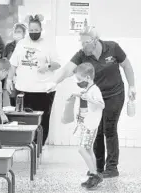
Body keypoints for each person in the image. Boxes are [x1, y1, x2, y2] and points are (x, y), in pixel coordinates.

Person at [47, 26, 136, 178]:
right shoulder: (82, 54)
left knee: (109, 128)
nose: (82, 46)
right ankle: (98, 167)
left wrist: (132, 86)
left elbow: (127, 65)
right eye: (80, 43)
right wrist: (55, 82)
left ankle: (112, 168)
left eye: (84, 43)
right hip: (95, 97)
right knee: (97, 130)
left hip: (115, 94)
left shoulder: (113, 48)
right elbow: (67, 69)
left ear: (94, 41)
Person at [6, 14, 61, 147]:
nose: (33, 33)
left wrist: (47, 66)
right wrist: (9, 79)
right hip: (23, 89)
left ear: (41, 30)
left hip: (43, 90)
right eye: (31, 31)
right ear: (28, 30)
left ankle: (39, 146)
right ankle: (26, 144)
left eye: (36, 31)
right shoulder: (21, 43)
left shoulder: (48, 44)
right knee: (23, 120)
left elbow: (57, 64)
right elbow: (13, 64)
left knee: (43, 120)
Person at [62, 62, 105, 189]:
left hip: (90, 125)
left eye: (80, 79)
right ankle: (94, 173)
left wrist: (89, 98)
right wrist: (77, 94)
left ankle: (93, 175)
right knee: (89, 149)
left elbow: (102, 105)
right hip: (86, 124)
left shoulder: (95, 90)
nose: (78, 81)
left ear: (87, 78)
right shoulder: (89, 88)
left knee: (82, 149)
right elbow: (85, 95)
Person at [3, 23, 26, 106]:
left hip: (24, 78)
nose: (17, 33)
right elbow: (4, 60)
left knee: (24, 102)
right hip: (11, 77)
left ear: (24, 33)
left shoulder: (26, 46)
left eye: (19, 32)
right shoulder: (9, 46)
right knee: (13, 102)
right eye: (15, 31)